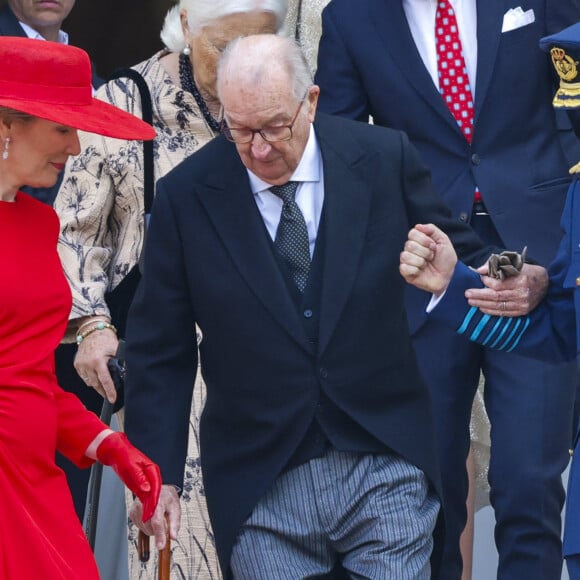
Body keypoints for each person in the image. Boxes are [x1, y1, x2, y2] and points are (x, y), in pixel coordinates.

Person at [121, 33, 508, 579]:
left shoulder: (382, 158)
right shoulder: (186, 197)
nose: (258, 149)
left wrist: (515, 277)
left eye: (275, 127)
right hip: (261, 477)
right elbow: (160, 348)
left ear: (313, 102)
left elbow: (457, 255)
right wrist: (157, 474)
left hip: (383, 454)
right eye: (241, 131)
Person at [315, 2, 580, 578]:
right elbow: (337, 150)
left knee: (528, 480)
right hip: (423, 262)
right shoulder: (350, 18)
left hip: (538, 262)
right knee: (425, 481)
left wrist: (567, 255)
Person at [54, 1, 288, 577]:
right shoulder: (122, 103)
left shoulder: (287, 100)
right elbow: (72, 233)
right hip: (175, 361)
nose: (240, 64)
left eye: (253, 45)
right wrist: (93, 326)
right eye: (222, 47)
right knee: (183, 545)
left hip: (278, 361)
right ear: (184, 26)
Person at [0, 36, 163, 578]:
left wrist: (109, 444)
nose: (75, 148)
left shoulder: (37, 223)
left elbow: (26, 378)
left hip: (34, 479)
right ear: (6, 127)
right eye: (62, 128)